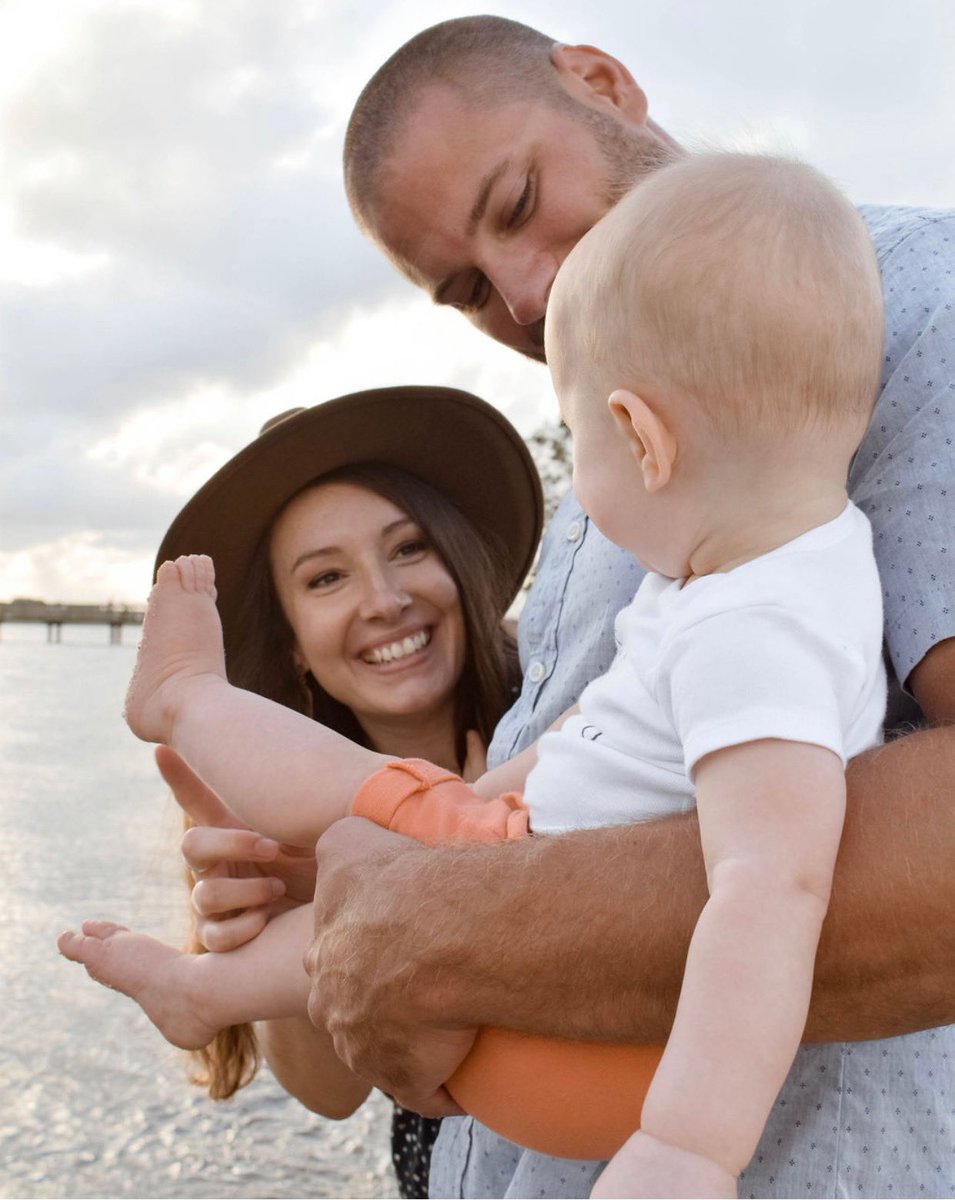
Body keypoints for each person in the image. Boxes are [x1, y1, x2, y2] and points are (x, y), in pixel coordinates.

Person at [161, 15, 955, 1199]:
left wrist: (446, 934)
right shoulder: (616, 452)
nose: (527, 293)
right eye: (469, 289)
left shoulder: (907, 302)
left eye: (519, 197)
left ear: (602, 82)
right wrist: (361, 906)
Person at [80, 385, 543, 1200]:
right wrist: (277, 904)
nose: (383, 599)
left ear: (459, 558)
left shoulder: (560, 717)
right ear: (292, 645)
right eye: (326, 579)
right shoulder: (272, 799)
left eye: (407, 549)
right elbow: (330, 1095)